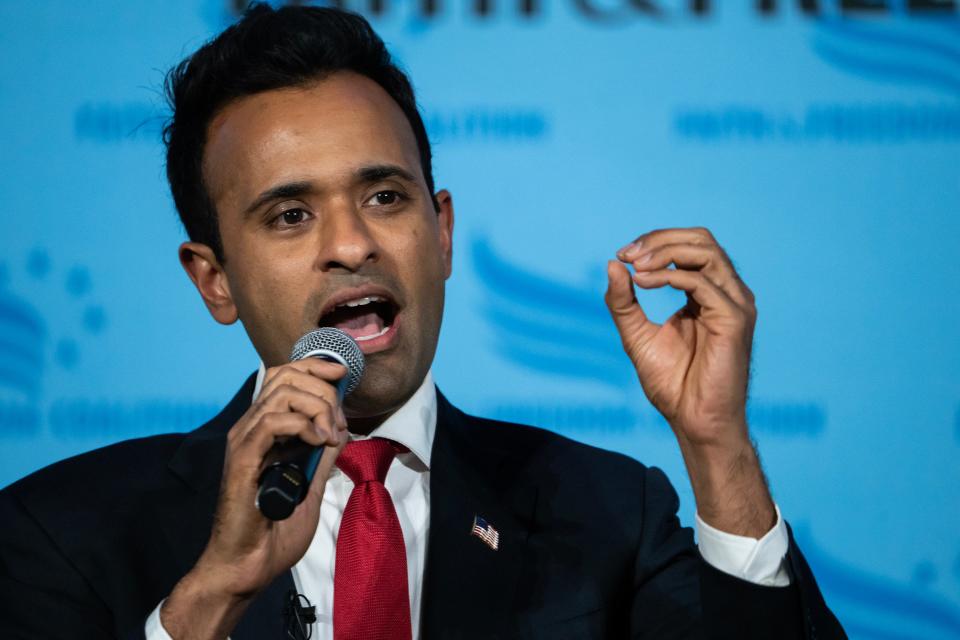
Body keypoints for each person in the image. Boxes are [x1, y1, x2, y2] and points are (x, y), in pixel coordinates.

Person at [0, 4, 845, 639]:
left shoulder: (606, 513)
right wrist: (214, 590)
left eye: (384, 196)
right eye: (290, 215)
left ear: (441, 233)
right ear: (213, 279)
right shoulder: (61, 531)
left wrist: (718, 445)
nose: (352, 243)